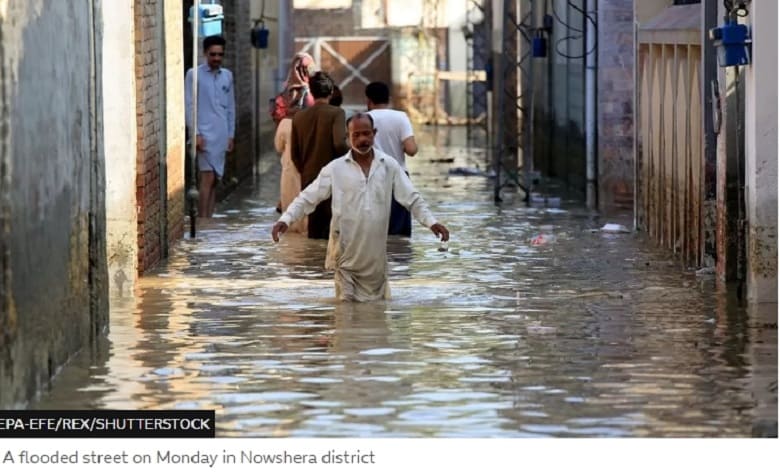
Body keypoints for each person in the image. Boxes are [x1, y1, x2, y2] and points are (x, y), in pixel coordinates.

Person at [272, 113, 450, 302]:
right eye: (356, 135)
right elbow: (308, 198)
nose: (362, 139)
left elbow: (412, 199)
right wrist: (286, 219)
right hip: (345, 256)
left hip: (375, 261)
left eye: (366, 134)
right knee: (345, 311)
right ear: (348, 138)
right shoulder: (335, 169)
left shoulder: (389, 166)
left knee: (377, 315)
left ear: (374, 134)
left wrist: (432, 223)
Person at [290, 71, 349, 239]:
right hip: (333, 179)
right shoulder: (337, 113)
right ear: (331, 92)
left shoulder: (299, 116)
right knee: (334, 232)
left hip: (309, 179)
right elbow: (339, 143)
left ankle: (313, 264)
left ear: (312, 92)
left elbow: (294, 154)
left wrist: (306, 171)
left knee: (314, 231)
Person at [185, 35, 235, 219]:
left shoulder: (227, 76)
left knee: (215, 180)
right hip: (204, 135)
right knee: (206, 178)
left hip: (221, 135)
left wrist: (231, 135)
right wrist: (195, 133)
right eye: (213, 54)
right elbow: (189, 106)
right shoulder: (193, 74)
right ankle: (202, 221)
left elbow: (231, 107)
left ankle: (210, 221)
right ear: (205, 53)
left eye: (220, 55)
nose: (216, 58)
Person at [365, 81, 418, 237]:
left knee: (374, 230)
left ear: (368, 101)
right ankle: (399, 259)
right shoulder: (400, 117)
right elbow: (411, 150)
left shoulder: (363, 119)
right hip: (398, 177)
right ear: (388, 99)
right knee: (399, 231)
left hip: (372, 177)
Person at [274, 107, 306, 234]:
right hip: (307, 168)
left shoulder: (285, 123)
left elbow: (278, 146)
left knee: (289, 209)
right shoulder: (310, 121)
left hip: (289, 169)